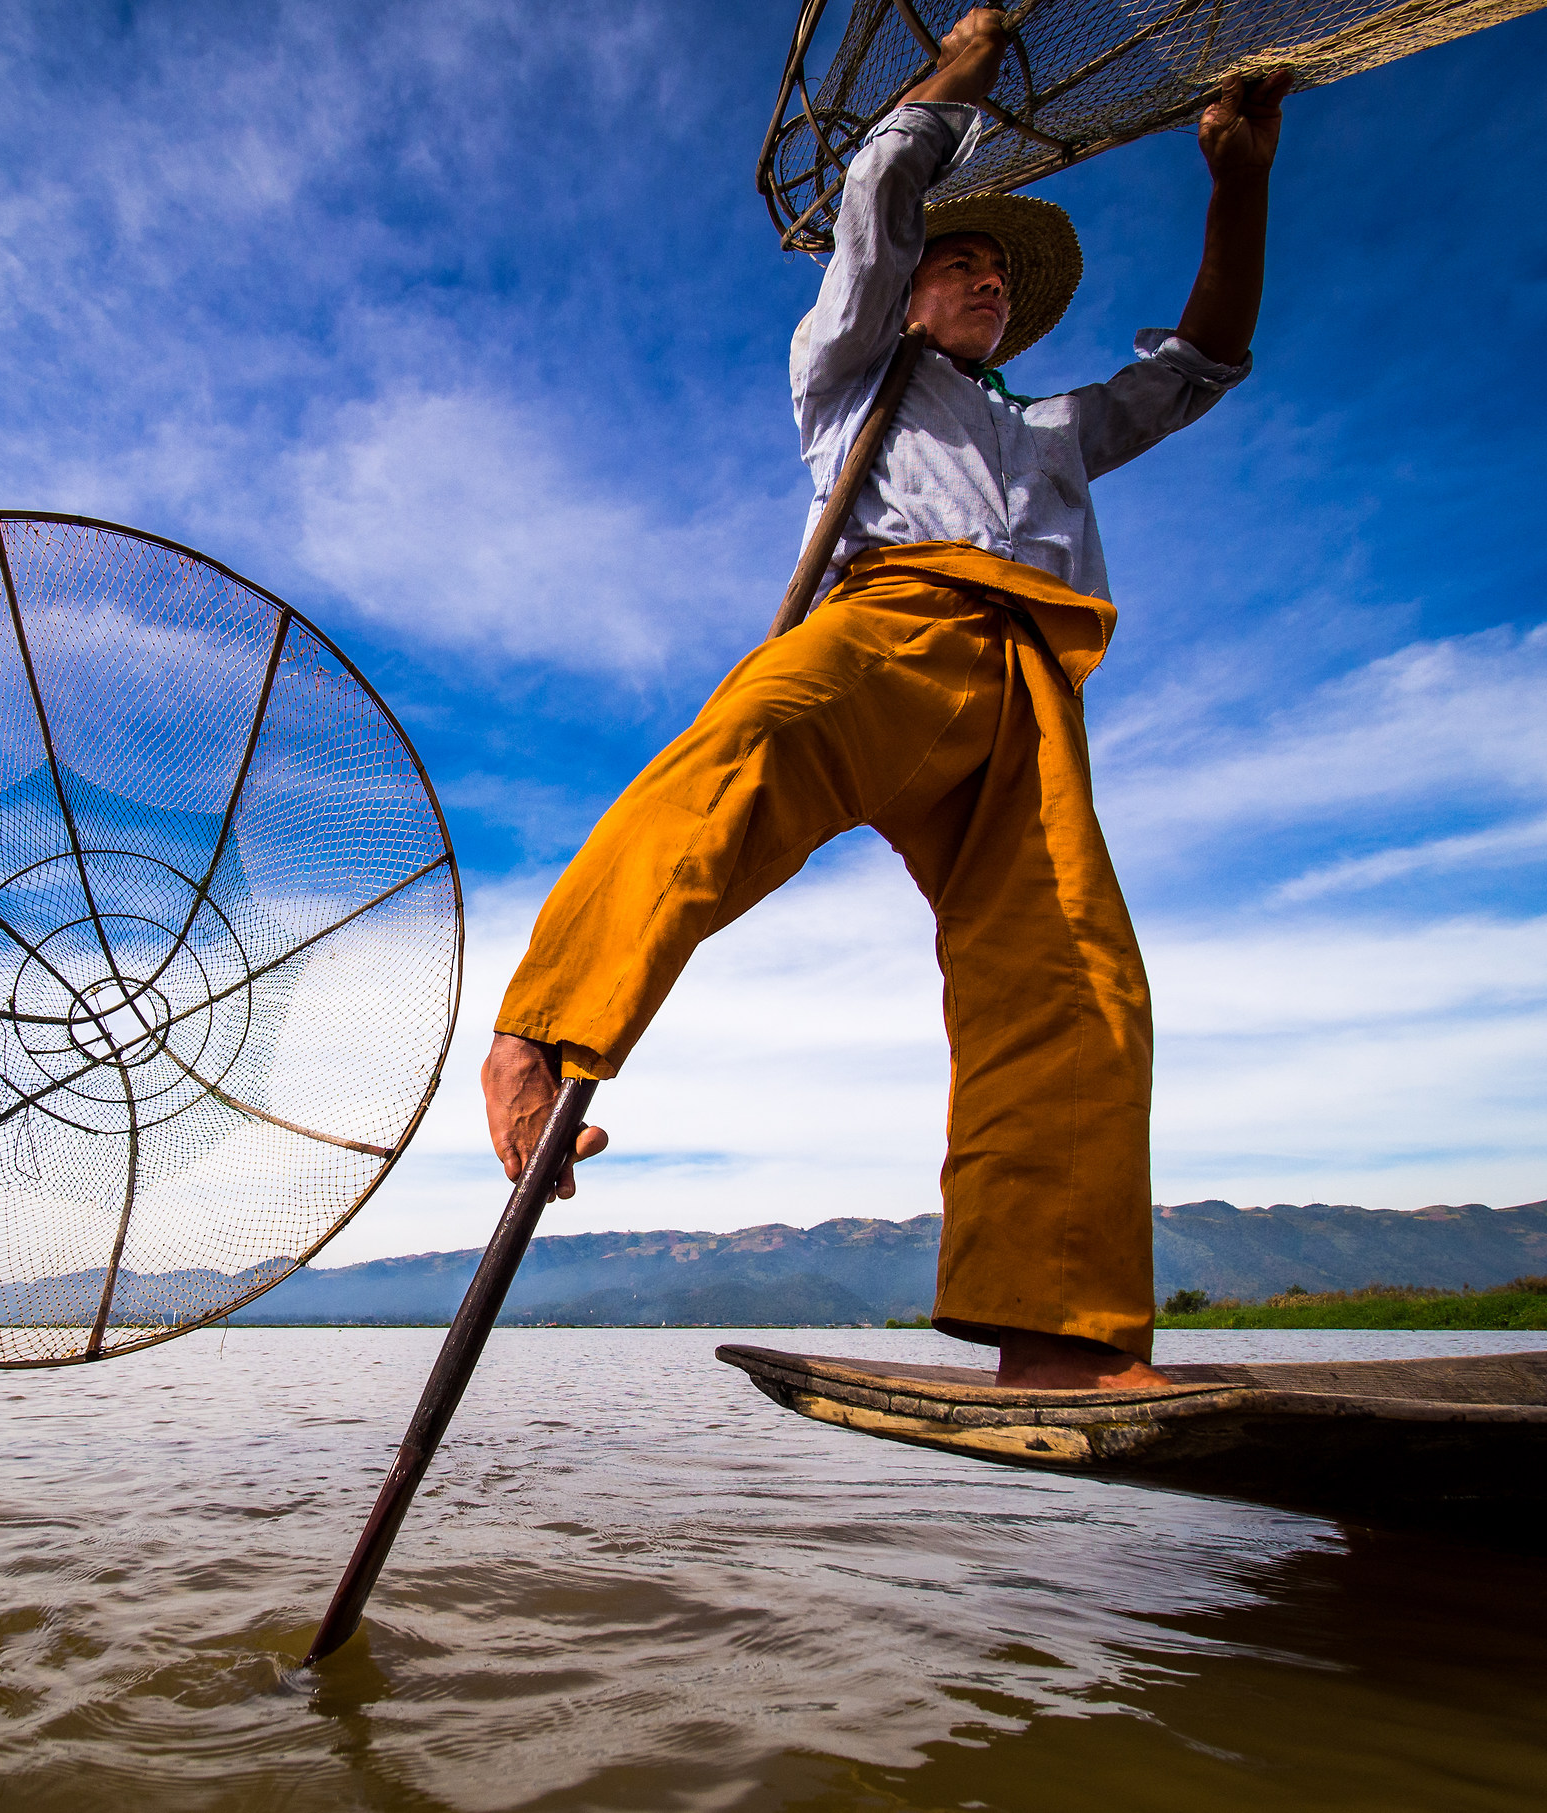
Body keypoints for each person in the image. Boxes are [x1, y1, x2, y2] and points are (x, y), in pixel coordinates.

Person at [481, 11, 1291, 1389]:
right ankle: (540, 1037)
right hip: (886, 628)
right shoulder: (853, 375)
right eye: (958, 262)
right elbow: (875, 195)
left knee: (1077, 981)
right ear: (906, 291)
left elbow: (1204, 362)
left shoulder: (1052, 432)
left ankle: (1059, 1336)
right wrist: (960, 65)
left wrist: (1239, 179)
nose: (982, 280)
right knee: (745, 753)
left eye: (996, 276)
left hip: (1028, 694)